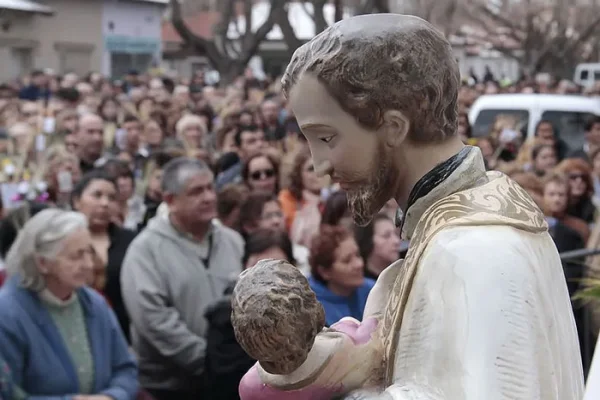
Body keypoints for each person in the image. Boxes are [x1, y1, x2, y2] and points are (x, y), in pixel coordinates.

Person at [238, 13, 583, 400]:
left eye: (327, 137)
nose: (320, 166)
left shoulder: (476, 252)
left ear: (394, 127)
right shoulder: (457, 230)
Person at [121, 157, 244, 400]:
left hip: (229, 379)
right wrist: (207, 359)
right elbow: (153, 320)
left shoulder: (232, 241)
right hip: (170, 387)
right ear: (170, 200)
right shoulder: (145, 252)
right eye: (196, 191)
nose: (209, 197)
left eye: (210, 188)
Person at [0, 209, 138, 399]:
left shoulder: (94, 303)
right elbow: (8, 393)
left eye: (89, 253)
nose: (89, 265)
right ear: (42, 263)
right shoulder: (8, 313)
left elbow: (125, 368)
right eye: (76, 256)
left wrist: (112, 396)